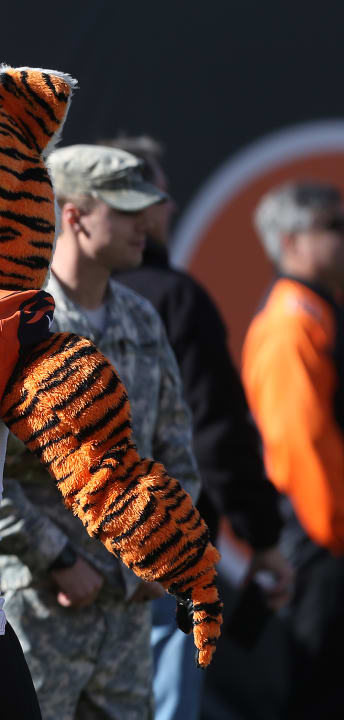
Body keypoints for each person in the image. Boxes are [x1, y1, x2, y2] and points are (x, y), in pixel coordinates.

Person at [0, 144, 201, 720]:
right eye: (126, 210)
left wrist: (163, 549)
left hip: (127, 610)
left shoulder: (141, 317)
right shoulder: (21, 323)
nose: (146, 225)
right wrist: (56, 556)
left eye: (146, 210)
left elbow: (175, 451)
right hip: (37, 606)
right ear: (75, 216)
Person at [103, 136, 292, 720]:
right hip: (157, 556)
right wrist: (261, 536)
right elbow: (216, 431)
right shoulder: (174, 299)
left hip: (70, 563)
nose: (168, 208)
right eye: (152, 195)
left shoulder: (41, 301)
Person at [242, 180, 344, 717]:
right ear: (291, 242)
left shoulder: (318, 313)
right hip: (319, 549)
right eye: (335, 227)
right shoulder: (292, 323)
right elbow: (302, 445)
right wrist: (336, 532)